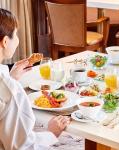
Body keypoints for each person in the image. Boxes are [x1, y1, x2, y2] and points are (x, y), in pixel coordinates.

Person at [0, 8, 71, 150]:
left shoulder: (7, 83)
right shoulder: (9, 88)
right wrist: (51, 133)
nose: (18, 40)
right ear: (6, 42)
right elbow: (21, 147)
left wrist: (10, 78)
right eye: (16, 34)